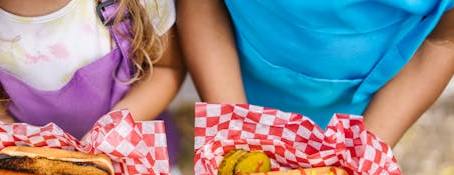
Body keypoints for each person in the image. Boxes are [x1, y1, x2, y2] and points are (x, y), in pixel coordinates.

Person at [0, 0, 188, 175]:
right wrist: (9, 139)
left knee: (161, 155)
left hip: (131, 123)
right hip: (29, 141)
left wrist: (110, 130)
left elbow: (167, 69)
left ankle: (165, 174)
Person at [177, 0, 454, 148]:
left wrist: (365, 150)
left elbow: (443, 41)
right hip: (232, 70)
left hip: (367, 105)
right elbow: (201, 4)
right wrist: (235, 126)